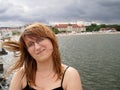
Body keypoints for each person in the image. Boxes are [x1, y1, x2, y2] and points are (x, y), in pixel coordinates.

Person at [3, 23, 82, 90]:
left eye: (40, 39)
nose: (37, 47)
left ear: (51, 40)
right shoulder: (21, 75)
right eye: (30, 44)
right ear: (28, 51)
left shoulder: (70, 75)